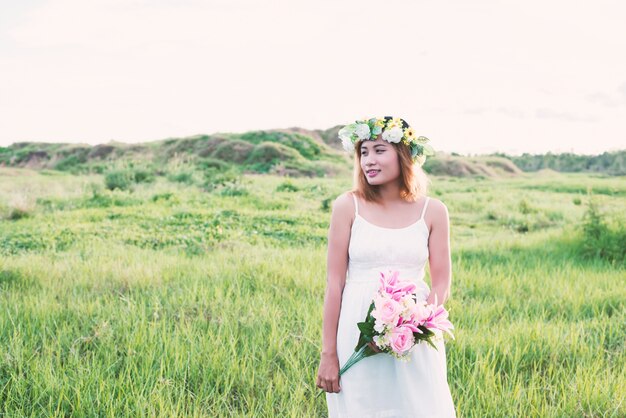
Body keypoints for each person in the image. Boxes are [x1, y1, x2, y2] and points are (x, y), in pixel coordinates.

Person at [316, 117, 457, 417]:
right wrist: (329, 353)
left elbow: (442, 283)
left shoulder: (433, 211)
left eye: (379, 150)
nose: (369, 160)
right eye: (363, 152)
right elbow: (334, 285)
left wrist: (414, 324)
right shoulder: (347, 206)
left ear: (403, 155)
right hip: (356, 332)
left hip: (413, 334)